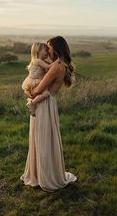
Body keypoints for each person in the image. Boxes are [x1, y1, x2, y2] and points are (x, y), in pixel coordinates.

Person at [20, 36, 78, 192]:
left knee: (42, 137)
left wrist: (30, 92)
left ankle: (43, 175)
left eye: (49, 47)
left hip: (43, 105)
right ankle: (43, 173)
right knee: (46, 137)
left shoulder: (55, 66)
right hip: (49, 102)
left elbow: (39, 89)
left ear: (56, 49)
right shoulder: (62, 65)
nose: (48, 50)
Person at [22, 42, 53, 116]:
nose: (47, 52)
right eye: (45, 50)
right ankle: (32, 103)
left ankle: (33, 109)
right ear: (38, 51)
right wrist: (59, 61)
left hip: (32, 80)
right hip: (35, 81)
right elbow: (49, 67)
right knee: (46, 93)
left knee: (35, 94)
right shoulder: (37, 61)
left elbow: (48, 65)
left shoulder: (40, 61)